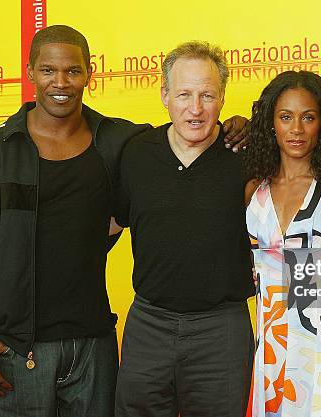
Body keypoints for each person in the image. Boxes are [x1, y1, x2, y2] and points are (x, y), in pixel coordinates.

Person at [0, 26, 247, 417]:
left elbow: (184, 138)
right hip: (17, 345)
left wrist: (240, 127)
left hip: (93, 344)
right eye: (48, 71)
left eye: (72, 71)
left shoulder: (117, 141)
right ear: (30, 72)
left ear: (89, 73)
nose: (60, 82)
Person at [113, 41, 255, 417]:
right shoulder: (136, 153)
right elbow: (109, 225)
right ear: (164, 95)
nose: (195, 109)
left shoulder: (248, 155)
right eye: (184, 94)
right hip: (148, 325)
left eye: (207, 95)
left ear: (223, 97)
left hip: (221, 330)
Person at [243, 71, 321, 416]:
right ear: (271, 123)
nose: (296, 129)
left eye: (308, 117)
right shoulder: (254, 189)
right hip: (271, 346)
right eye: (286, 117)